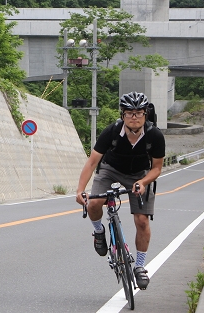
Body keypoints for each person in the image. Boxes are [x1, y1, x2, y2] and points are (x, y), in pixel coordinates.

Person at [75, 91, 165, 290]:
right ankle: (99, 231)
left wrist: (143, 182)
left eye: (139, 112)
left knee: (142, 220)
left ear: (145, 114)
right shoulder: (112, 132)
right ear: (123, 114)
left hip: (139, 175)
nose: (134, 117)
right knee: (95, 203)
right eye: (129, 113)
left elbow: (157, 168)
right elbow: (92, 162)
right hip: (110, 170)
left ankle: (140, 266)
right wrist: (80, 190)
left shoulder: (154, 136)